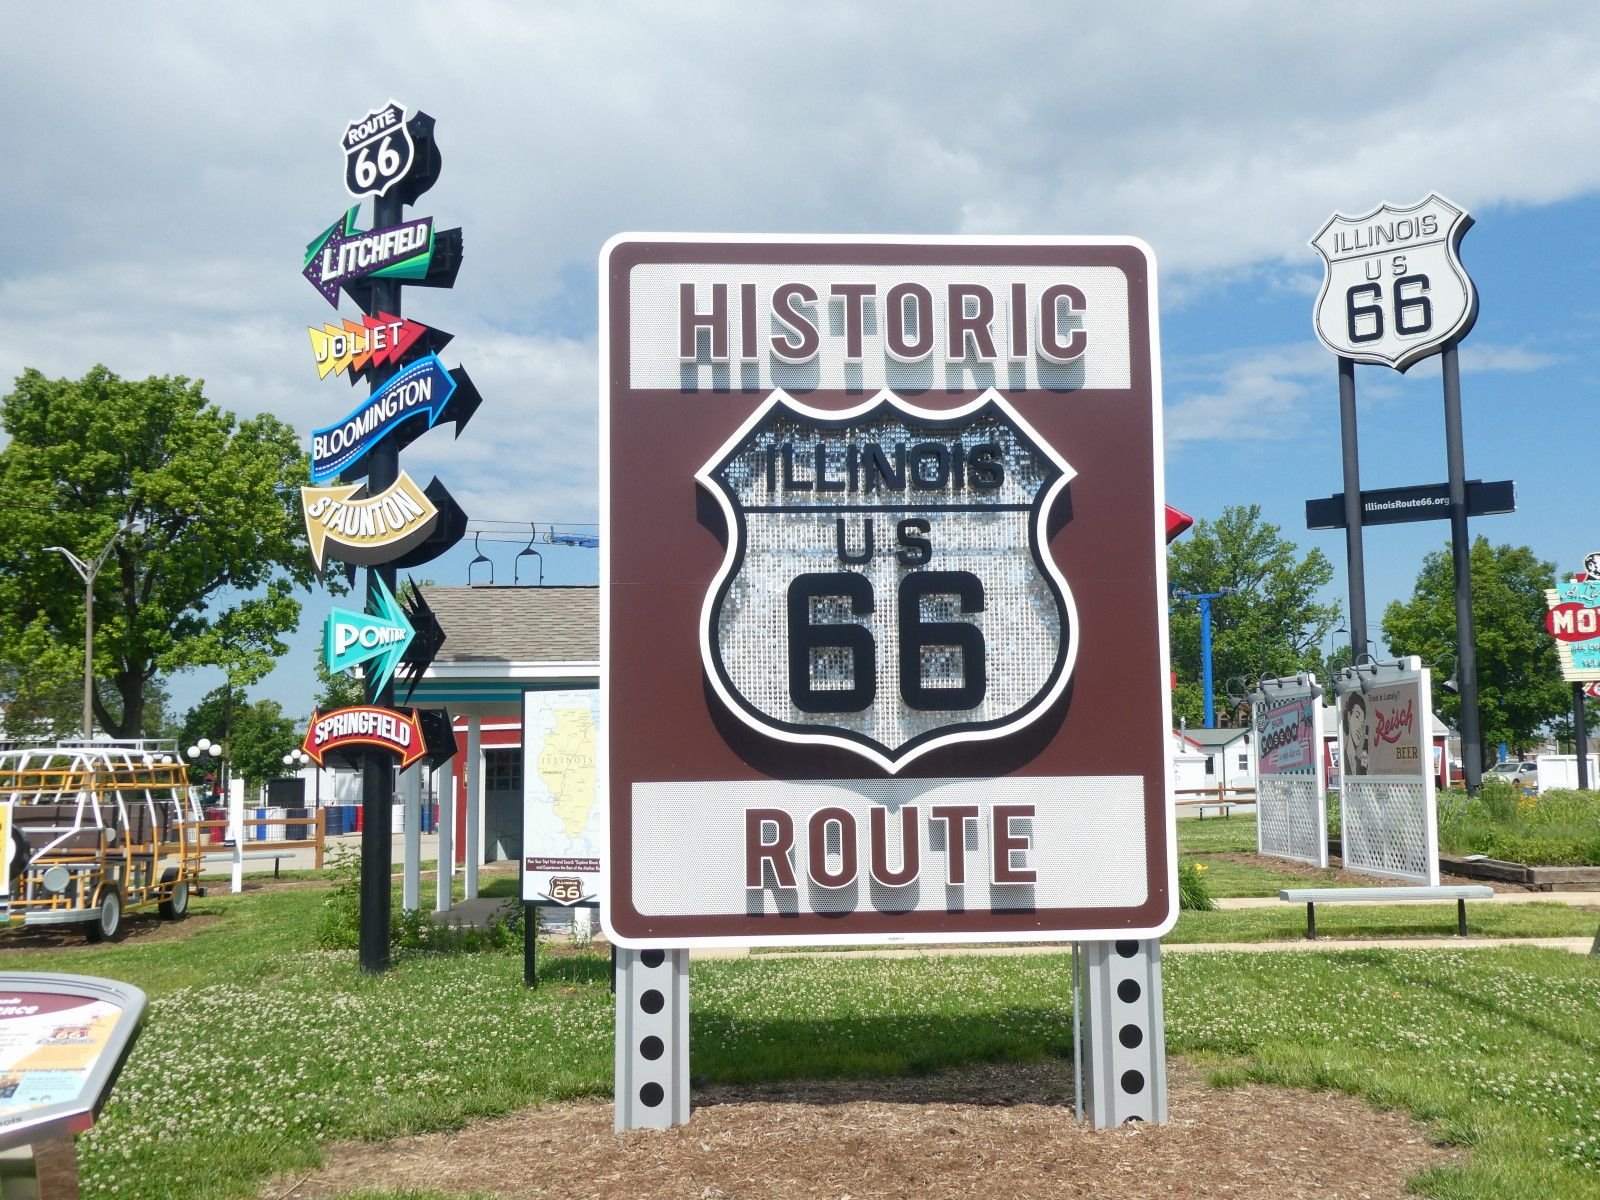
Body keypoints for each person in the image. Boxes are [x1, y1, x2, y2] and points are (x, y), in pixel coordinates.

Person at [1342, 691, 1371, 777]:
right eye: (1357, 717)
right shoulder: (1343, 758)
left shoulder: (1360, 763)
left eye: (1362, 723)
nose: (1359, 727)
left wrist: (1365, 772)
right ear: (1349, 716)